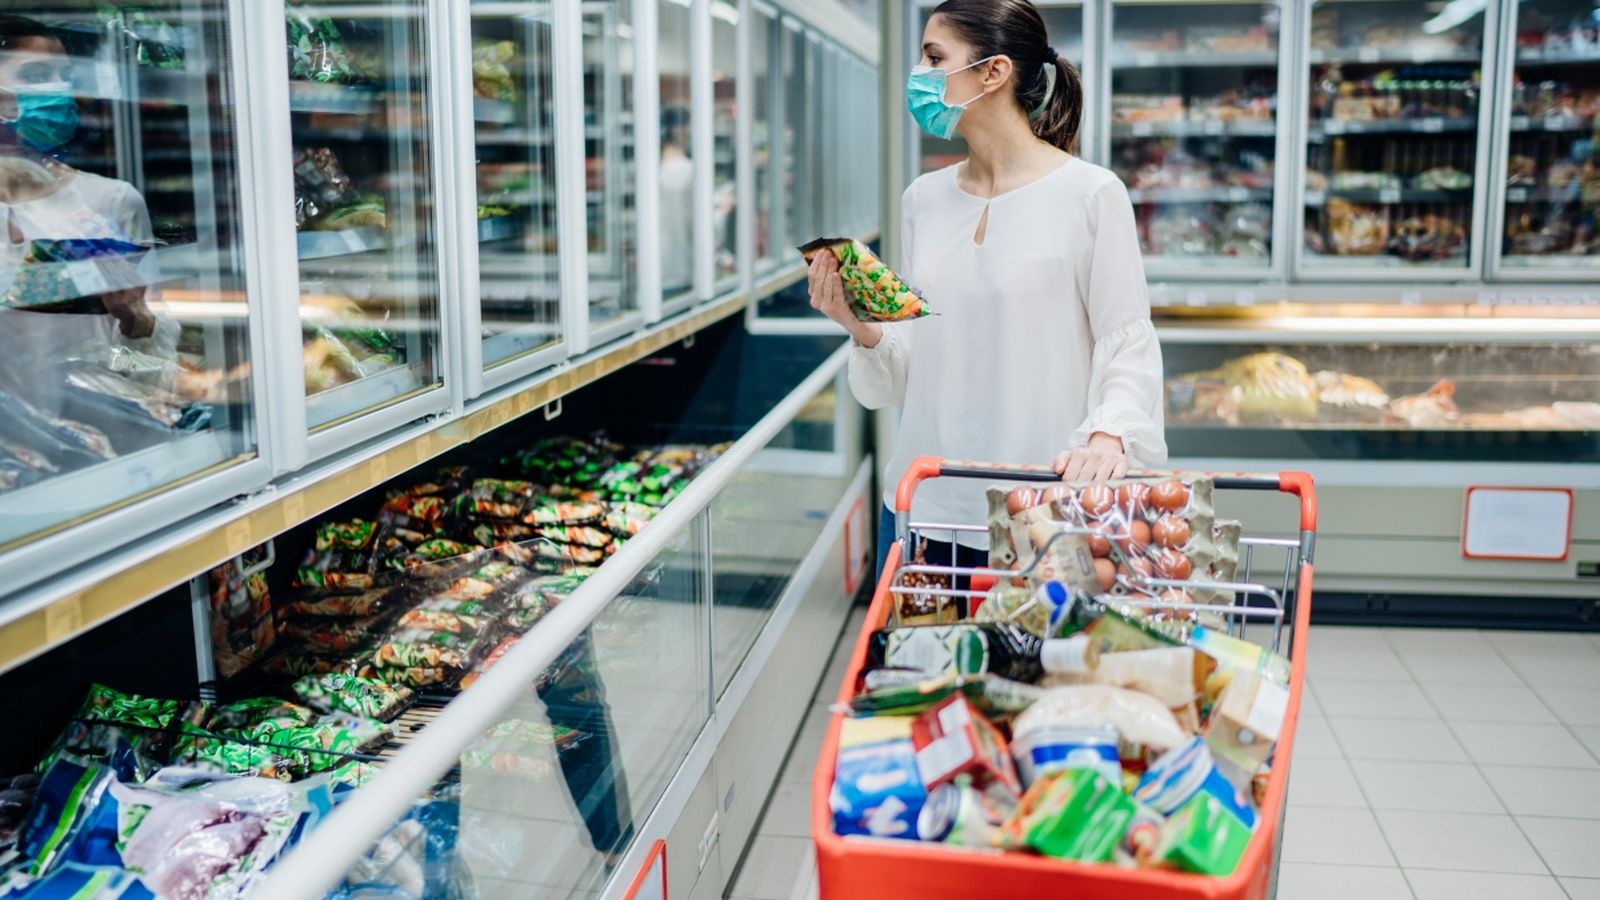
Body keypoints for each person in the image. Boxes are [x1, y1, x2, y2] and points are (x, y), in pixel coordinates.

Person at [809, 0, 1166, 580]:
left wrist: (1109, 435)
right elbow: (914, 359)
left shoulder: (1091, 195)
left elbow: (1125, 340)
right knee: (914, 671)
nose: (919, 75)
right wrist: (861, 324)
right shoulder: (922, 199)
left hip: (1042, 513)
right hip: (922, 506)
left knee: (1032, 669)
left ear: (992, 72)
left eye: (933, 57)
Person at [0, 13, 175, 428]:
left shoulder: (111, 202)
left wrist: (135, 318)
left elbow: (154, 375)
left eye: (65, 76)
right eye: (39, 74)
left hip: (98, 441)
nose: (60, 90)